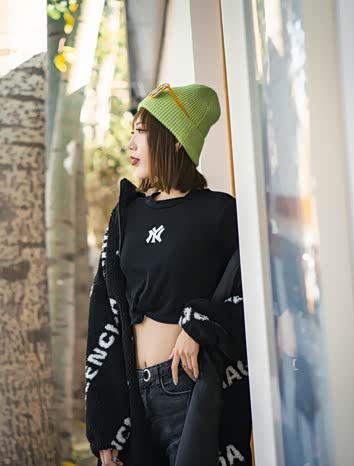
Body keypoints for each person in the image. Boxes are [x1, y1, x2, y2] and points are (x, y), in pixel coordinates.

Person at [84, 83, 252, 466]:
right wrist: (103, 419)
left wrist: (199, 325)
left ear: (175, 140)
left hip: (188, 389)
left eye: (141, 132)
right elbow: (104, 314)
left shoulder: (219, 212)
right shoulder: (126, 215)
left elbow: (254, 294)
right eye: (131, 133)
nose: (130, 144)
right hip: (133, 395)